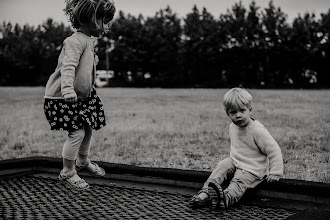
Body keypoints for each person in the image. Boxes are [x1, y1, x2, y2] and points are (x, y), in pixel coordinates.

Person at [43, 0, 116, 190]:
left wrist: (93, 60)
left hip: (82, 97)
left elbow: (84, 68)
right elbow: (69, 67)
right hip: (64, 97)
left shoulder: (88, 40)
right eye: (105, 20)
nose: (108, 26)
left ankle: (82, 161)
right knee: (77, 132)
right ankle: (67, 171)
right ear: (90, 18)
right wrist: (67, 90)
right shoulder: (75, 40)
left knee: (87, 129)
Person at [190, 87, 283, 209]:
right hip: (236, 161)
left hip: (252, 168)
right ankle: (205, 194)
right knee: (221, 166)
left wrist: (275, 172)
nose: (238, 116)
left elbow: (274, 149)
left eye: (242, 111)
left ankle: (224, 199)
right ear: (227, 113)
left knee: (238, 182)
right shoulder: (232, 127)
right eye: (233, 112)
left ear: (250, 110)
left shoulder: (256, 130)